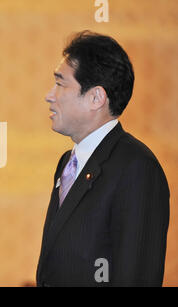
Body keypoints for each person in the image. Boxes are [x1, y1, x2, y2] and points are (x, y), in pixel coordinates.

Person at [37, 31, 169, 287]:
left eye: (61, 84)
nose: (49, 95)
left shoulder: (137, 168)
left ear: (96, 97)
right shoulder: (68, 162)